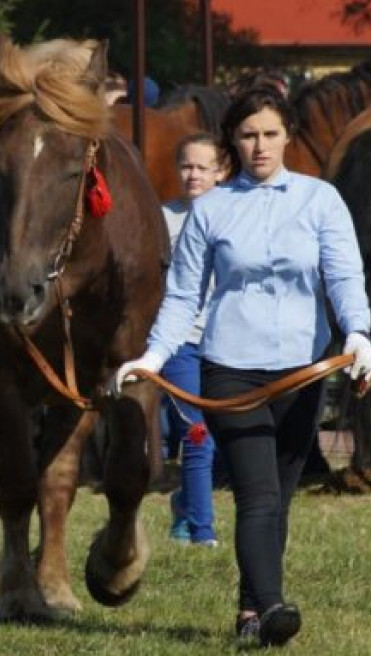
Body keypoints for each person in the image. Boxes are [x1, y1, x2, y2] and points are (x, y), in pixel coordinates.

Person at [113, 84, 371, 648]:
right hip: (230, 369)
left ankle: (249, 611)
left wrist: (359, 332)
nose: (260, 146)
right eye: (248, 135)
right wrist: (154, 356)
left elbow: (343, 276)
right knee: (257, 494)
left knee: (279, 496)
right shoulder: (211, 209)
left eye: (270, 134)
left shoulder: (320, 200)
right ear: (233, 140)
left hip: (303, 371)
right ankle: (275, 607)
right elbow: (183, 296)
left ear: (287, 136)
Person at [161, 132, 226, 547]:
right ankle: (201, 531)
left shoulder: (235, 213)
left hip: (228, 342)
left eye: (203, 167)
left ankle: (186, 500)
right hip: (180, 340)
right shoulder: (162, 217)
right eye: (186, 166)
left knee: (227, 437)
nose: (193, 175)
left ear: (221, 171)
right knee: (197, 434)